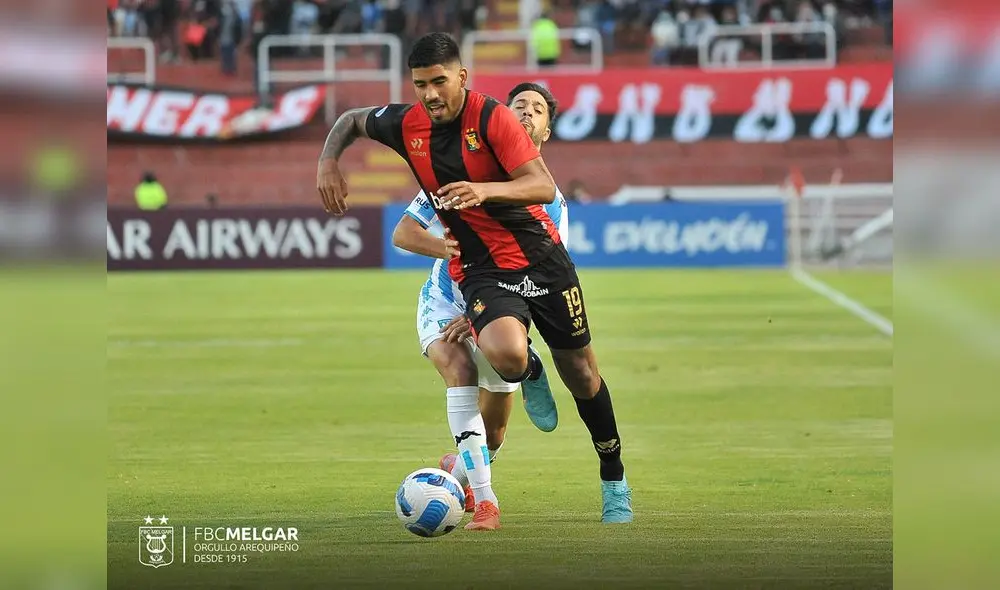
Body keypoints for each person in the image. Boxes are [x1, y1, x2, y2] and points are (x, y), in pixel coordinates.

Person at [316, 32, 633, 525]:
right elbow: (351, 120)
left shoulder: (494, 119)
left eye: (439, 82)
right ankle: (527, 374)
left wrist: (482, 190)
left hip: (544, 261)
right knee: (506, 356)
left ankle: (613, 476)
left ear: (461, 77)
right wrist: (328, 160)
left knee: (584, 376)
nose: (430, 94)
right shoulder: (408, 125)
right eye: (421, 84)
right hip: (484, 271)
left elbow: (544, 186)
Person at [391, 82, 569, 530]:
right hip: (443, 303)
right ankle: (487, 503)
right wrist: (449, 249)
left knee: (494, 434)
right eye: (518, 107)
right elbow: (404, 234)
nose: (526, 113)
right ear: (499, 120)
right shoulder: (453, 172)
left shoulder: (552, 204)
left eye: (538, 110)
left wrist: (479, 314)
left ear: (546, 132)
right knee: (460, 371)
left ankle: (522, 372)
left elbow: (538, 276)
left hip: (495, 312)